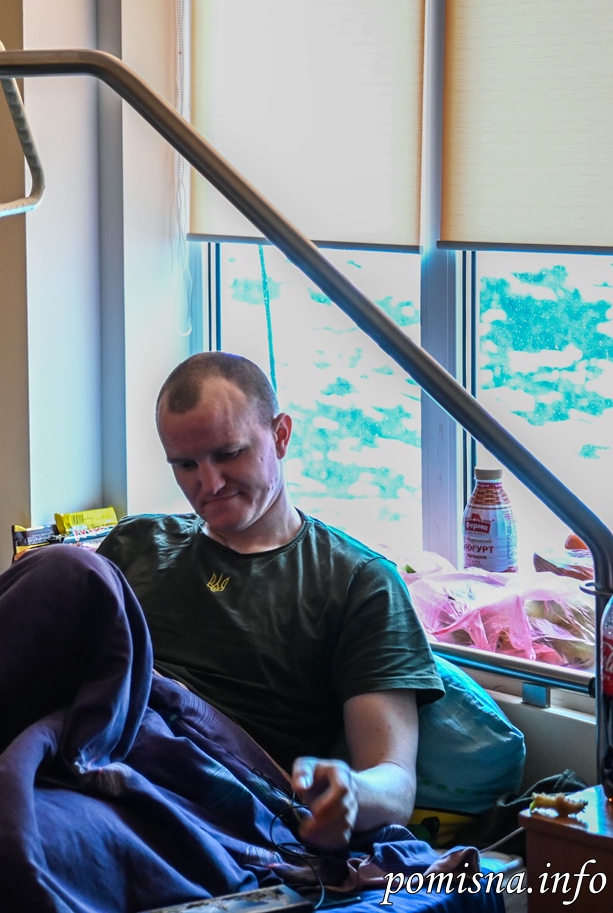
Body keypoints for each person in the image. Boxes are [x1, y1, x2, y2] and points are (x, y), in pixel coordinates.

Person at [95, 351, 442, 850]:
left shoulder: (359, 582)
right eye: (186, 465)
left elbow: (395, 782)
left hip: (211, 793)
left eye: (228, 454)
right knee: (59, 571)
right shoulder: (136, 544)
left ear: (281, 435)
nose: (209, 484)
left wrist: (351, 791)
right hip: (94, 752)